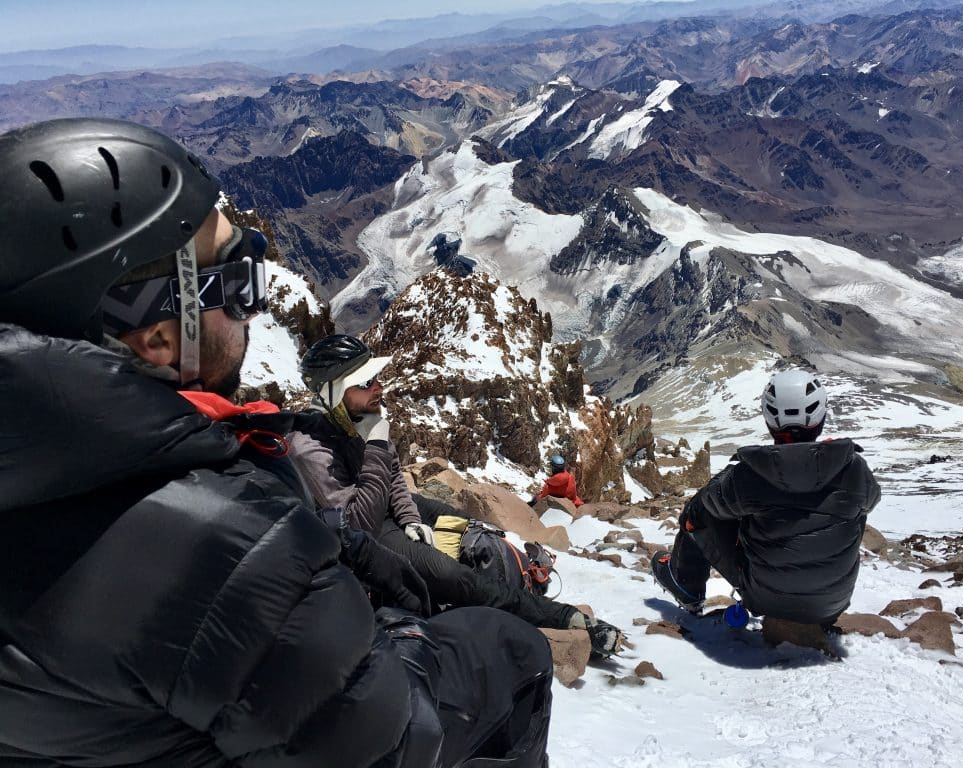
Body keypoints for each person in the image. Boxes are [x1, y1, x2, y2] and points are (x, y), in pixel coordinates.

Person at [0, 117, 553, 767]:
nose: (253, 304)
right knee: (513, 650)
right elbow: (390, 740)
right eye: (236, 279)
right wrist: (397, 632)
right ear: (154, 334)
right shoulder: (220, 546)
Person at [288, 334, 625, 658]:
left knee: (456, 517)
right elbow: (357, 525)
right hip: (367, 532)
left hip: (384, 510)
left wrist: (408, 517)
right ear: (332, 393)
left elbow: (391, 476)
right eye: (364, 383)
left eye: (375, 377)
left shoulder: (357, 416)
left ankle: (507, 560)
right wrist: (376, 443)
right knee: (450, 575)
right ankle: (560, 616)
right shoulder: (310, 450)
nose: (378, 388)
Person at [652, 368, 881, 627]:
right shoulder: (855, 468)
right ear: (821, 416)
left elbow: (706, 503)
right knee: (854, 510)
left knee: (699, 512)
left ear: (769, 418)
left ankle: (687, 587)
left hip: (763, 598)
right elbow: (871, 501)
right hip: (832, 603)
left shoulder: (749, 474)